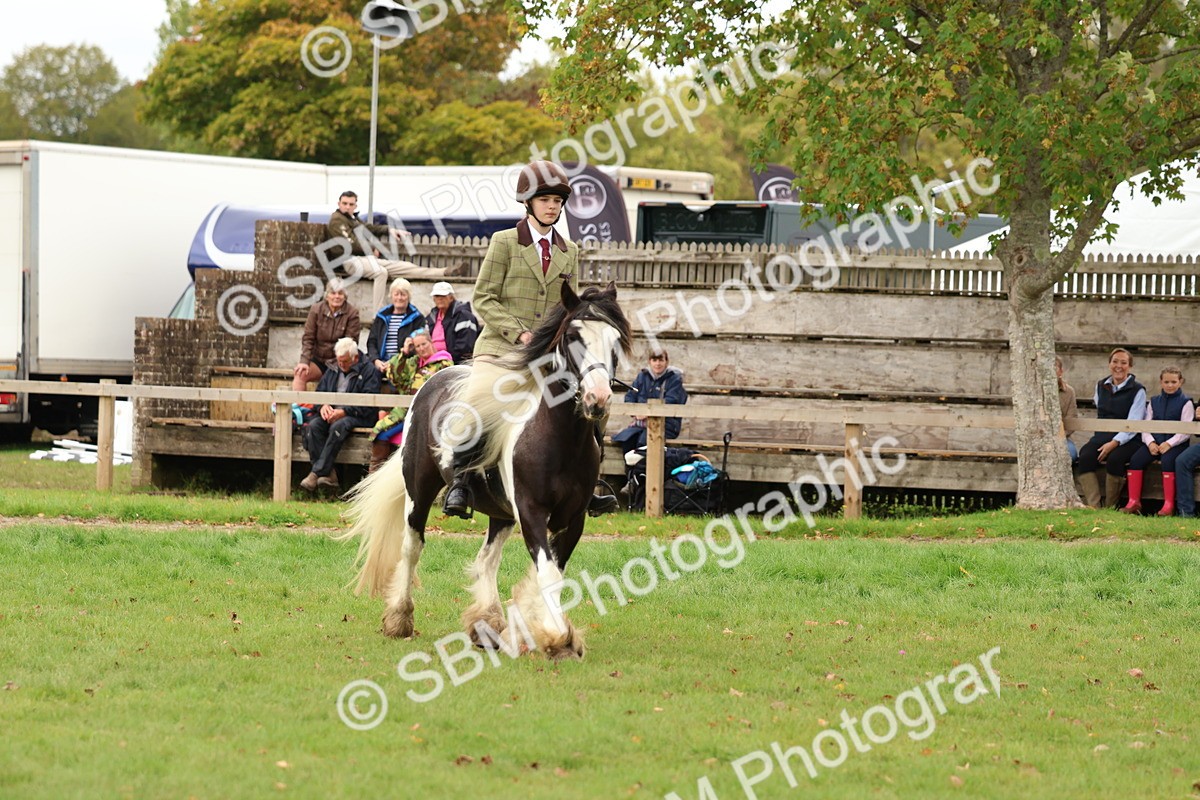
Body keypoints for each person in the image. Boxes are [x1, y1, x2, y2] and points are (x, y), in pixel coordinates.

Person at [442, 159, 617, 517]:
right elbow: (483, 298)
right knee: (478, 401)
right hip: (501, 348)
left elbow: (572, 308)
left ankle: (589, 483)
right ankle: (460, 481)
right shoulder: (504, 242)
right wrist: (519, 332)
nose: (552, 206)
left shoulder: (570, 250)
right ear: (528, 203)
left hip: (546, 355)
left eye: (557, 200)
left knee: (595, 401)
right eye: (544, 199)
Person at [325, 190, 467, 310]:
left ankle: (444, 272)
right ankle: (378, 313)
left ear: (355, 205)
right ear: (339, 204)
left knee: (403, 266)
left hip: (364, 260)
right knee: (381, 272)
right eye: (345, 204)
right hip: (348, 262)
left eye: (351, 204)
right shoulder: (337, 219)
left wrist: (389, 230)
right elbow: (347, 244)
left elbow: (370, 228)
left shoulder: (351, 219)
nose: (348, 207)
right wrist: (370, 249)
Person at [299, 338, 381, 492]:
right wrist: (322, 406)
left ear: (355, 358)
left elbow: (369, 404)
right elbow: (319, 394)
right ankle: (329, 474)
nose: (341, 365)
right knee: (313, 426)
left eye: (345, 361)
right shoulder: (332, 368)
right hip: (332, 413)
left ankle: (316, 472)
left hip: (358, 416)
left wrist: (344, 411)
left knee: (338, 426)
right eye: (339, 361)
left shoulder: (369, 371)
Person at [369, 330, 454, 472]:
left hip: (428, 413)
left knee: (412, 442)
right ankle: (376, 474)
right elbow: (393, 375)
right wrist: (404, 353)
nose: (421, 348)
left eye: (424, 344)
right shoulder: (413, 362)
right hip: (403, 411)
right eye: (417, 346)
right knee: (380, 432)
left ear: (431, 342)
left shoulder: (444, 363)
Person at [1075, 348, 1147, 508]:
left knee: (1115, 459)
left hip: (1129, 439)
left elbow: (1134, 422)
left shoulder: (1138, 390)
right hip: (1102, 435)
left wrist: (1114, 443)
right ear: (1109, 364)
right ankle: (1094, 505)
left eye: (1123, 362)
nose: (1118, 366)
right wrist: (1105, 440)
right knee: (1085, 457)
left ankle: (1110, 506)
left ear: (1130, 366)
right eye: (1115, 361)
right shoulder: (1101, 386)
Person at [1121, 367, 1193, 515]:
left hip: (1175, 444)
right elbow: (1146, 425)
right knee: (1136, 460)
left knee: (1168, 461)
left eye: (1174, 382)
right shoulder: (1154, 401)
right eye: (1166, 382)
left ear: (1181, 382)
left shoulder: (1186, 402)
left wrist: (1169, 444)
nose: (1170, 385)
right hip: (1155, 443)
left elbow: (1186, 431)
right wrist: (1150, 443)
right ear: (1161, 382)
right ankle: (1134, 502)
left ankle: (1168, 504)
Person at [612, 346, 689, 454]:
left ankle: (644, 470)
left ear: (666, 362)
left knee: (644, 442)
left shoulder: (674, 379)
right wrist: (636, 412)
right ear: (650, 361)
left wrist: (648, 414)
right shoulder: (642, 377)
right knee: (627, 440)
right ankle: (631, 471)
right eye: (654, 360)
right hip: (640, 423)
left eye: (661, 360)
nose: (658, 364)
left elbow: (672, 400)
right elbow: (630, 397)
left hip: (667, 424)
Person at [293, 279, 359, 392]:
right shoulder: (316, 310)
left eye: (340, 293)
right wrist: (304, 362)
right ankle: (299, 408)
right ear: (327, 295)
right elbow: (308, 338)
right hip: (318, 360)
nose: (337, 297)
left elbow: (349, 343)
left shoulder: (352, 313)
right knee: (300, 374)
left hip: (340, 362)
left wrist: (337, 365)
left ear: (345, 296)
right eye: (333, 293)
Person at [366, 278, 425, 375]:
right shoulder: (381, 316)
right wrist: (375, 360)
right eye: (396, 294)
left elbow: (417, 345)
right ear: (391, 296)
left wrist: (395, 361)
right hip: (380, 362)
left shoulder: (417, 318)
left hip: (404, 362)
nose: (399, 298)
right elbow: (372, 341)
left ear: (408, 297)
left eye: (403, 294)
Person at [424, 281, 479, 366]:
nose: (440, 299)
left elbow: (465, 347)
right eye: (437, 296)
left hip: (456, 364)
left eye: (443, 296)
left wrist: (444, 359)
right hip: (434, 363)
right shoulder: (431, 317)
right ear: (433, 299)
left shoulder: (463, 316)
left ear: (451, 297)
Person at [1056, 356, 1079, 463]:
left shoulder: (1069, 392)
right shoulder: (1034, 392)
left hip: (1062, 437)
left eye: (1054, 368)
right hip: (1038, 437)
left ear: (1061, 371)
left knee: (1071, 454)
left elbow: (1072, 417)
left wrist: (1060, 436)